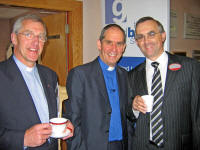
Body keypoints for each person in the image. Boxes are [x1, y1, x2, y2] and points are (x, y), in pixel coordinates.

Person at [0, 14, 74, 150]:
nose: (35, 42)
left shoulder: (50, 75)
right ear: (14, 38)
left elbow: (54, 113)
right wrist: (23, 139)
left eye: (40, 37)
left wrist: (65, 123)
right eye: (28, 34)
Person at [128, 16, 200, 150]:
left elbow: (197, 115)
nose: (146, 41)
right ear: (137, 42)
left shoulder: (190, 67)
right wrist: (133, 107)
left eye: (151, 34)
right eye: (140, 37)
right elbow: (128, 115)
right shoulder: (132, 75)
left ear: (162, 36)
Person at [65, 24, 133, 150]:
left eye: (119, 44)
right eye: (109, 42)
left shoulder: (124, 75)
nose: (114, 49)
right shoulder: (80, 75)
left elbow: (127, 117)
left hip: (121, 145)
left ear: (123, 47)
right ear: (99, 44)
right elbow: (72, 120)